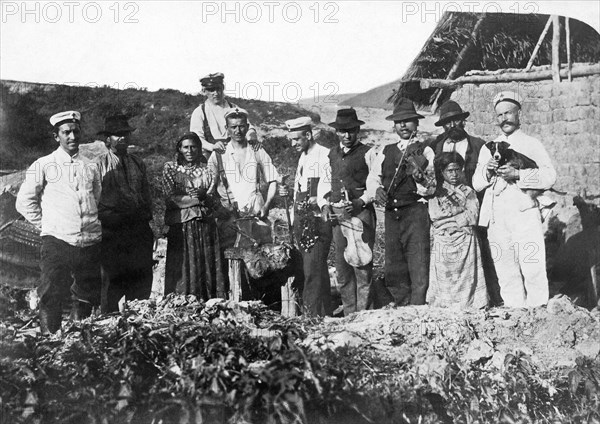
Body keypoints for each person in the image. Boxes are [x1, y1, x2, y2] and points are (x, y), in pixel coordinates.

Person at [16, 111, 102, 334]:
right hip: (57, 241)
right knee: (52, 292)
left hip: (89, 240)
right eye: (66, 132)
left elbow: (96, 197)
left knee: (85, 293)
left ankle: (76, 342)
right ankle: (49, 342)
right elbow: (24, 202)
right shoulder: (43, 164)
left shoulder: (91, 166)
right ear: (57, 136)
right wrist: (48, 226)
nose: (72, 136)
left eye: (76, 131)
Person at [473, 91, 557, 308]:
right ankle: (515, 312)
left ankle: (538, 311)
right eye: (499, 115)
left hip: (524, 214)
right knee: (505, 268)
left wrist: (518, 175)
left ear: (519, 114)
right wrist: (488, 172)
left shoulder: (532, 144)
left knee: (532, 266)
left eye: (508, 113)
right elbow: (477, 183)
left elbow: (549, 177)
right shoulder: (488, 148)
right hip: (497, 217)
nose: (504, 119)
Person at [430, 100, 502, 306]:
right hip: (444, 207)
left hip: (473, 204)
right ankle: (448, 300)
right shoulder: (435, 146)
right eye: (447, 123)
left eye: (456, 121)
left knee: (482, 254)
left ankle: (487, 298)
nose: (452, 126)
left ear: (463, 121)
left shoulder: (479, 145)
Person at [366, 98, 436, 306]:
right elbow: (372, 178)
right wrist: (377, 189)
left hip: (415, 212)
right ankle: (399, 303)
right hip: (391, 214)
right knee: (394, 263)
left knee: (417, 261)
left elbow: (431, 187)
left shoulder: (425, 150)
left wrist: (420, 178)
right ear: (394, 125)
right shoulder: (386, 150)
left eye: (408, 121)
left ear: (416, 123)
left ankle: (417, 306)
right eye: (399, 122)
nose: (403, 125)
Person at [96, 115, 154, 312]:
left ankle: (138, 321)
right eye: (117, 135)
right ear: (107, 140)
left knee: (141, 278)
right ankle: (109, 322)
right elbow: (95, 200)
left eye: (125, 134)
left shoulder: (137, 162)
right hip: (113, 231)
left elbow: (146, 194)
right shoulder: (98, 165)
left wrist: (146, 216)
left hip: (138, 229)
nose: (122, 138)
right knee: (113, 281)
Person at [279, 116, 332, 316]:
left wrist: (320, 202)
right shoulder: (303, 156)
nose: (293, 144)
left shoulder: (325, 155)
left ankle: (311, 316)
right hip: (302, 218)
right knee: (312, 268)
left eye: (297, 139)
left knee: (313, 269)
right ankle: (325, 312)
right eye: (291, 140)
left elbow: (326, 187)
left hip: (317, 219)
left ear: (308, 135)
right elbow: (298, 190)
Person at [324, 108, 375, 315]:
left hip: (361, 214)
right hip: (339, 216)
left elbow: (374, 185)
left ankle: (365, 316)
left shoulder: (368, 153)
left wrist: (360, 202)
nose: (347, 135)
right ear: (337, 132)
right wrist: (326, 203)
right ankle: (349, 314)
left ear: (358, 130)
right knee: (343, 269)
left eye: (351, 131)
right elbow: (327, 182)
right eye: (343, 131)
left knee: (362, 266)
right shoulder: (332, 154)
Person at [162, 132, 226, 299]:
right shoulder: (170, 168)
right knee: (183, 266)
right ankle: (181, 303)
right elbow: (170, 199)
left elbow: (213, 198)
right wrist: (197, 198)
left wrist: (204, 196)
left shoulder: (208, 170)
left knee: (205, 264)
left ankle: (207, 302)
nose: (189, 151)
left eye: (193, 147)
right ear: (179, 149)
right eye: (185, 147)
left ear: (199, 149)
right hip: (181, 225)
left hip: (205, 225)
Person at [207, 107, 279, 249]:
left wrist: (266, 205)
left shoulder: (257, 150)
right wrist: (218, 209)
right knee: (231, 260)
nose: (238, 131)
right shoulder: (219, 154)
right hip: (229, 218)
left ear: (247, 127)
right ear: (226, 128)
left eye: (241, 126)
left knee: (259, 258)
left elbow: (273, 180)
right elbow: (208, 188)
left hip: (256, 213)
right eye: (233, 127)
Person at [427, 152, 488, 309]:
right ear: (442, 172)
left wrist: (453, 218)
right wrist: (458, 214)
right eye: (449, 170)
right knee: (445, 278)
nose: (454, 174)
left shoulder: (468, 191)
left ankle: (469, 304)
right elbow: (436, 215)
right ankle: (445, 306)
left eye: (456, 170)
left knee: (467, 277)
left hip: (465, 240)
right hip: (444, 238)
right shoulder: (436, 193)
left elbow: (473, 215)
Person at [190, 72, 258, 159]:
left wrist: (252, 135)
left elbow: (248, 127)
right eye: (211, 90)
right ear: (204, 91)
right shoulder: (199, 112)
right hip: (210, 156)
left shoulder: (233, 108)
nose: (216, 93)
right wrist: (212, 146)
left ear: (223, 88)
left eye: (218, 89)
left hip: (234, 153)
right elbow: (196, 138)